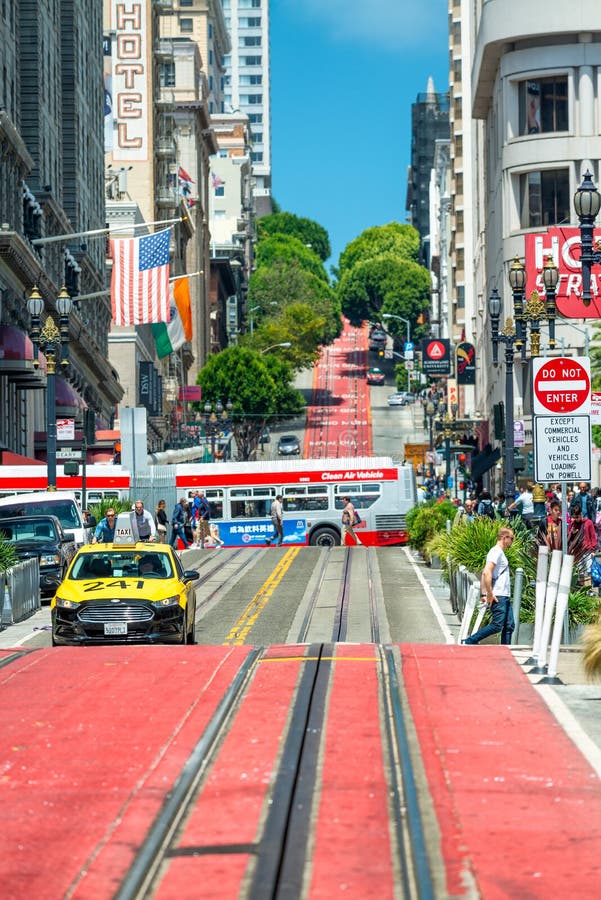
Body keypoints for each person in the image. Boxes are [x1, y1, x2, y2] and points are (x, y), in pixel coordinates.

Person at [463, 527, 515, 645]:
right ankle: (470, 641)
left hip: (504, 595)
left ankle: (505, 649)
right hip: (499, 595)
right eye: (511, 538)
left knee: (509, 625)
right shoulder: (496, 551)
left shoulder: (499, 552)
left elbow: (484, 573)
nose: (512, 541)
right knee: (497, 625)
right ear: (504, 538)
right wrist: (489, 593)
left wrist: (483, 593)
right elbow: (487, 572)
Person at [568, 504, 597, 587]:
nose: (576, 519)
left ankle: (588, 589)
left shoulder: (588, 523)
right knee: (580, 570)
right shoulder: (573, 524)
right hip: (577, 550)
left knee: (588, 570)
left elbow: (593, 536)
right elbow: (569, 537)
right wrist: (572, 533)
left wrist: (593, 550)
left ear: (581, 514)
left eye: (577, 517)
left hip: (587, 550)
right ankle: (582, 589)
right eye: (574, 517)